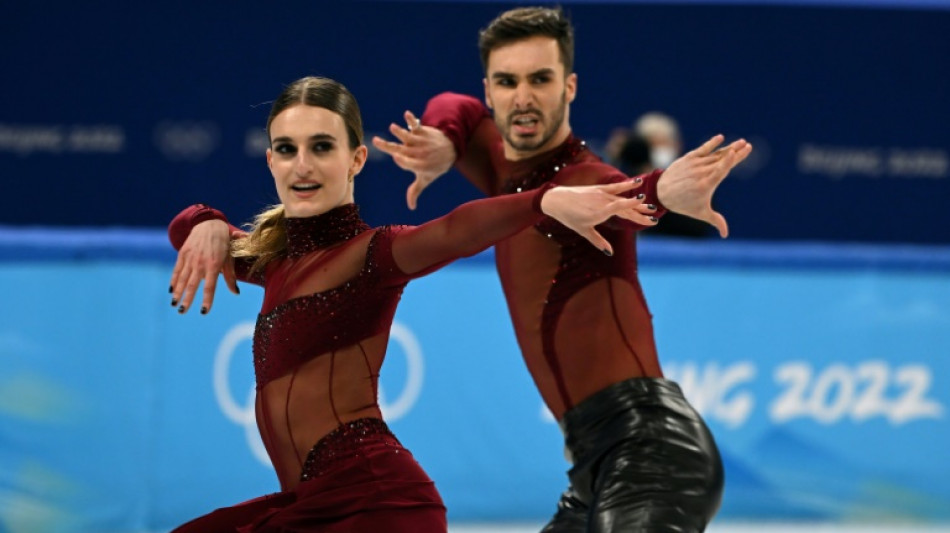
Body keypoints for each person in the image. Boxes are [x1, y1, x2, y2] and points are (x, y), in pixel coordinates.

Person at [166, 75, 660, 533]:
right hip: (316, 504)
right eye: (287, 149)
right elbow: (184, 230)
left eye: (321, 147)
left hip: (377, 504)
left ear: (356, 159)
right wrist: (204, 219)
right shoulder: (273, 263)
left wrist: (542, 201)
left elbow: (455, 231)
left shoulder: (373, 254)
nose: (303, 165)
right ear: (270, 160)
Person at [370, 6, 752, 532]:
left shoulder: (589, 176)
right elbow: (449, 103)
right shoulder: (503, 164)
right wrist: (445, 136)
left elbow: (621, 196)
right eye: (507, 82)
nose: (522, 96)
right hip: (592, 468)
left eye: (540, 79)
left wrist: (661, 189)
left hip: (654, 454)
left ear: (569, 87)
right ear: (490, 91)